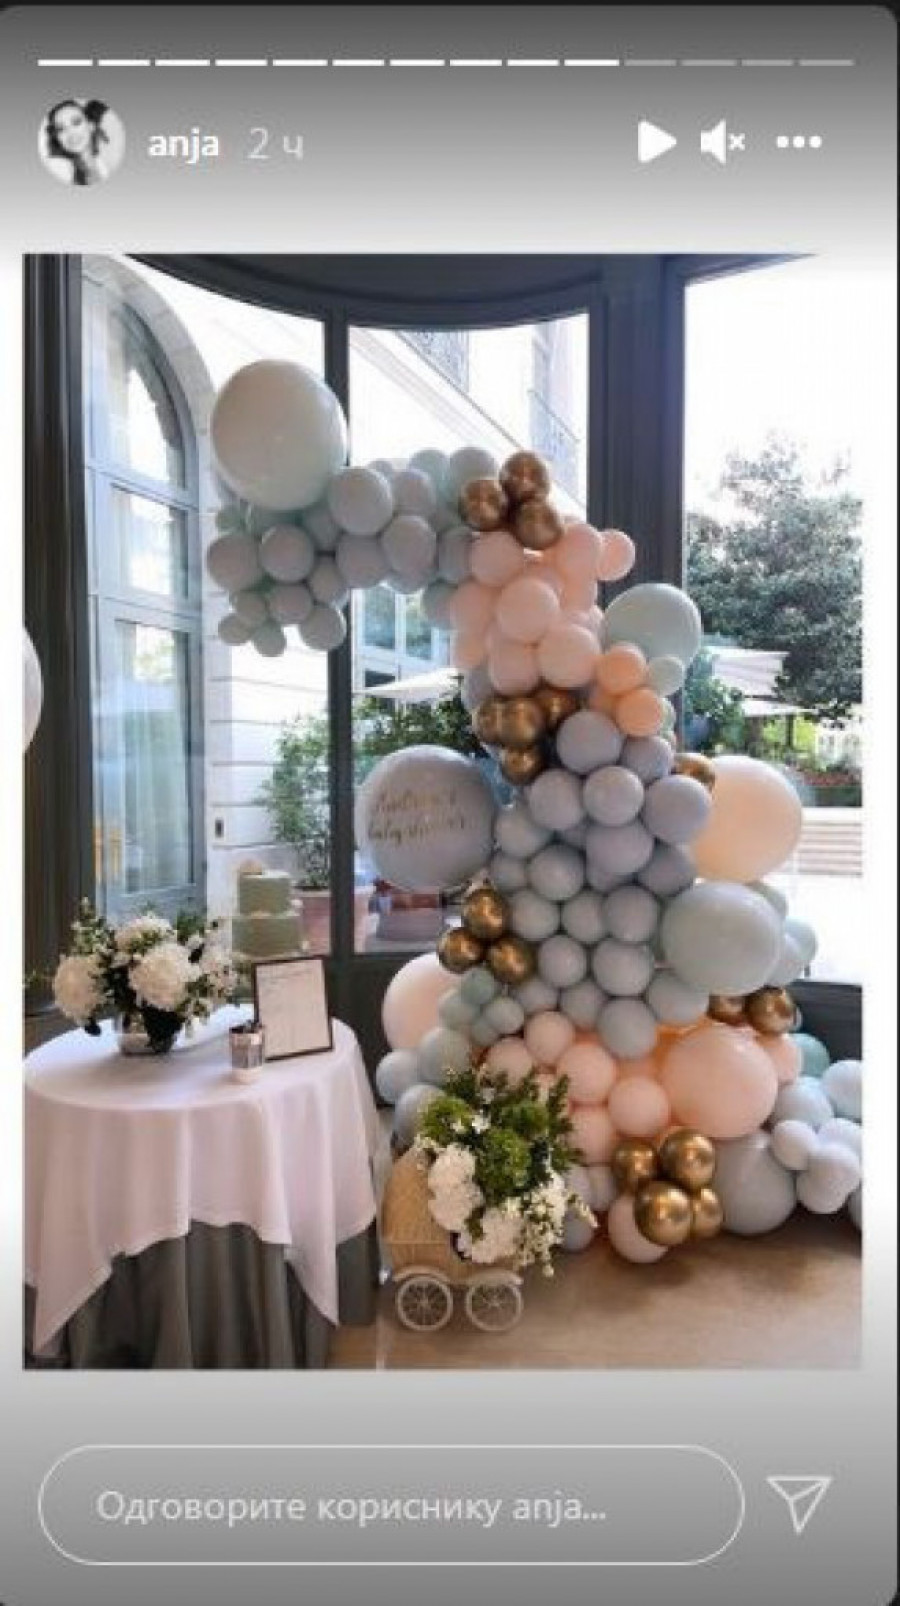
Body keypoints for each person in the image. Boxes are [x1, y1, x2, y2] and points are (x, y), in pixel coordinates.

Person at [43, 99, 113, 186]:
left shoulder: (100, 163)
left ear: (91, 126)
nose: (70, 133)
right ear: (57, 138)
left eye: (76, 122)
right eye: (61, 129)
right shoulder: (59, 166)